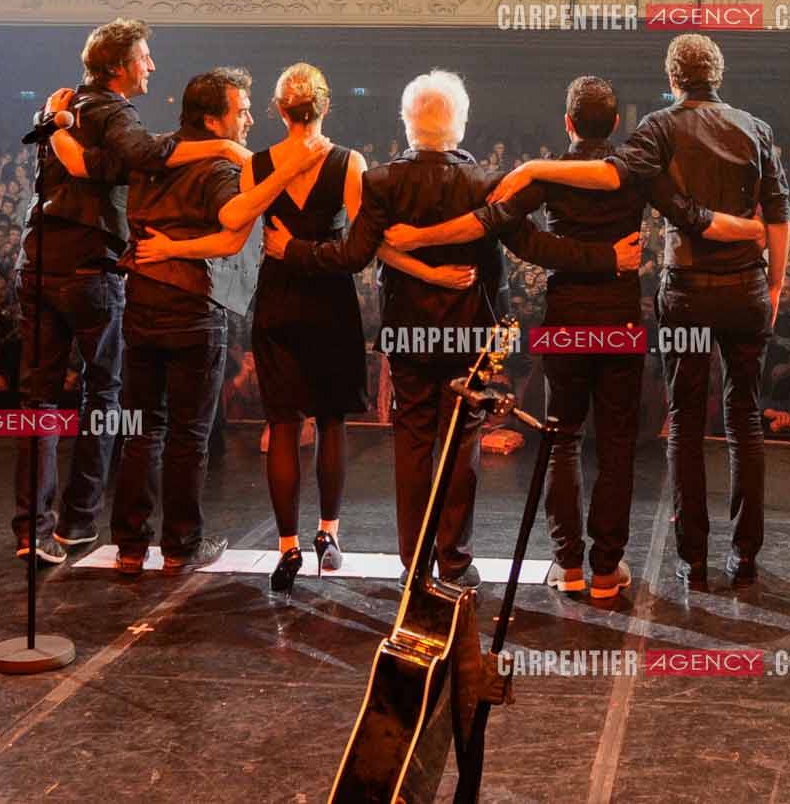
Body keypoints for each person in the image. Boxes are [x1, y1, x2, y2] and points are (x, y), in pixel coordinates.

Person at [384, 75, 760, 600]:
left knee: (561, 443)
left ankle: (570, 565)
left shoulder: (551, 176)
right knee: (617, 448)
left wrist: (417, 239)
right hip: (620, 326)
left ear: (568, 124)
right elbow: (692, 218)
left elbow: (496, 226)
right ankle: (606, 571)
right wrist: (754, 229)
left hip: (563, 323)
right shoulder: (635, 170)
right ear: (615, 125)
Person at [272, 71, 635, 586]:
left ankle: (414, 565)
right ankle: (455, 562)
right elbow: (532, 246)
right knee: (461, 445)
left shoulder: (380, 182)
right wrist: (607, 258)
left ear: (407, 123)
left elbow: (352, 254)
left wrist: (292, 249)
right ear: (461, 124)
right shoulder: (485, 184)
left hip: (408, 334)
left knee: (413, 442)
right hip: (470, 336)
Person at [141, 63, 468, 594]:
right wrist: (431, 270)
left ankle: (287, 547)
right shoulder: (349, 162)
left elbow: (228, 240)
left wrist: (170, 248)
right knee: (332, 422)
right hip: (330, 299)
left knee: (285, 426)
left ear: (276, 109)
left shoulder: (259, 166)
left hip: (278, 301)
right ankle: (328, 536)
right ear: (326, 106)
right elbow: (369, 248)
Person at [490, 34, 790, 587]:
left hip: (636, 305)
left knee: (599, 435)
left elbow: (522, 219)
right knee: (721, 424)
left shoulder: (637, 140)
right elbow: (761, 212)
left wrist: (535, 169)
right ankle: (715, 558)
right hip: (684, 305)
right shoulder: (750, 131)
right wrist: (770, 280)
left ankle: (624, 562)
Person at [12, 18, 265, 564]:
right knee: (108, 401)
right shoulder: (113, 112)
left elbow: (96, 163)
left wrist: (52, 127)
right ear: (119, 65)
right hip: (89, 268)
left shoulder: (66, 109)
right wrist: (224, 150)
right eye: (145, 57)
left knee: (43, 403)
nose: (151, 65)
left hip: (36, 262)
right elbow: (145, 155)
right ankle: (82, 526)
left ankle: (40, 531)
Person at [110, 67, 320, 576]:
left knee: (141, 429)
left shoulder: (155, 154)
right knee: (187, 435)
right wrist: (286, 174)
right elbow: (230, 226)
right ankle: (181, 545)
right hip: (191, 310)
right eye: (241, 109)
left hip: (140, 303)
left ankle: (130, 548)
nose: (249, 118)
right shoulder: (220, 171)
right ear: (212, 118)